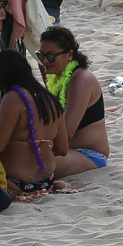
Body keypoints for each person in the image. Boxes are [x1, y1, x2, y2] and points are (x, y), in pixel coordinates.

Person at [0, 48, 63, 196]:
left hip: (17, 182)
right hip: (47, 181)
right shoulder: (51, 99)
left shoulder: (13, 98)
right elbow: (62, 149)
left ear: (5, 76)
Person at [36, 26, 109, 175]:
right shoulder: (55, 73)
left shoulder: (80, 79)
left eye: (50, 56)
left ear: (69, 54)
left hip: (88, 154)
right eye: (40, 55)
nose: (44, 61)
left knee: (27, 163)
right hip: (64, 150)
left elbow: (67, 131)